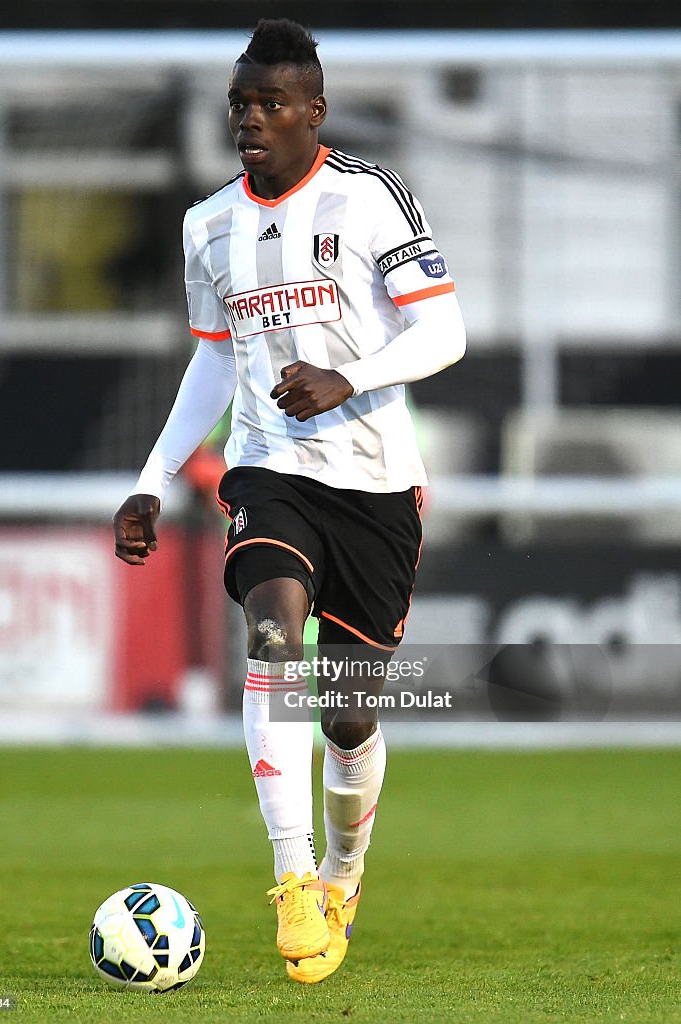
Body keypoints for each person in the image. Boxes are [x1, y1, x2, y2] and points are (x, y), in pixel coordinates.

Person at [113, 18, 466, 984]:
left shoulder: (370, 200)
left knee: (348, 713)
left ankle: (346, 872)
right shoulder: (208, 223)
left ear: (315, 111)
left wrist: (349, 378)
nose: (251, 121)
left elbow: (445, 333)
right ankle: (295, 873)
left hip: (376, 483)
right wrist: (150, 480)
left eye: (272, 104)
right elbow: (215, 358)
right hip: (269, 471)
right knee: (273, 635)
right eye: (240, 104)